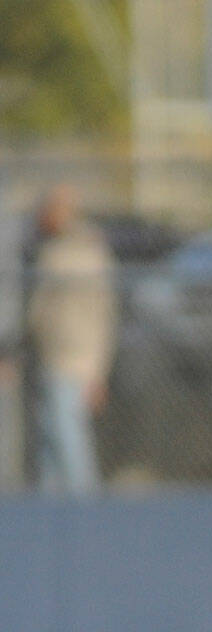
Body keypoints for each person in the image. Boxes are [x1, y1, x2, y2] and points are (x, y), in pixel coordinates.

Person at [26, 183, 116, 493]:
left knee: (68, 432)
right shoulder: (52, 248)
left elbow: (101, 315)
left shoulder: (80, 250)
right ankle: (50, 505)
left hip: (75, 356)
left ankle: (84, 500)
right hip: (52, 354)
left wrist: (97, 371)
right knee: (50, 433)